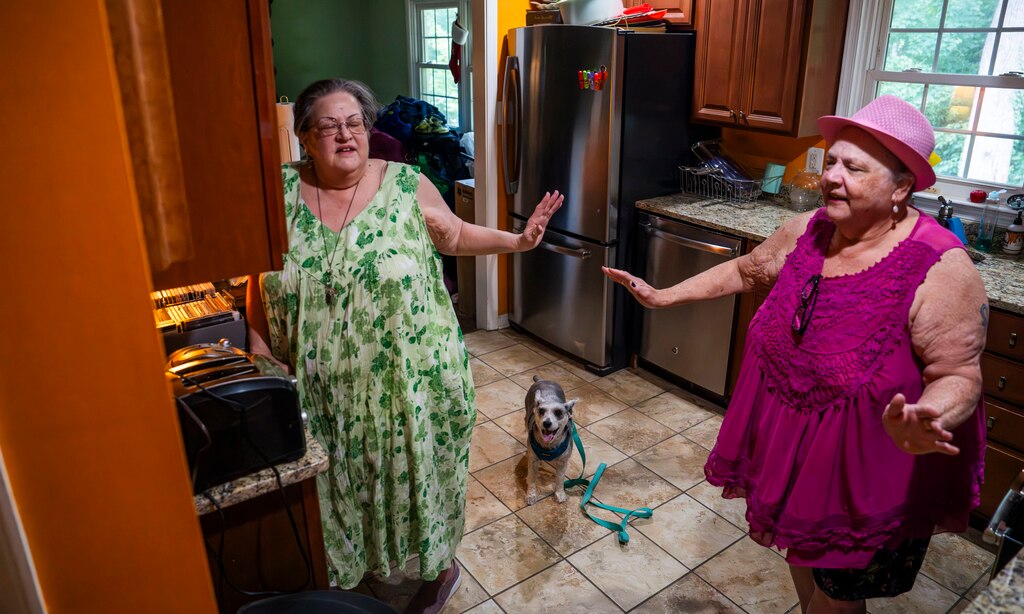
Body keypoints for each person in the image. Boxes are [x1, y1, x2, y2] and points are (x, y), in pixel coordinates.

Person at [604, 95, 986, 613]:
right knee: (806, 574)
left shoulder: (939, 266)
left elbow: (959, 373)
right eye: (831, 160)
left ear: (901, 187)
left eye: (854, 167)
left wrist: (929, 416)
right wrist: (663, 295)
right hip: (794, 448)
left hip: (865, 473)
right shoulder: (811, 231)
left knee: (838, 599)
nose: (831, 176)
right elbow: (747, 271)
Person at [246, 78, 563, 612]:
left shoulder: (405, 183)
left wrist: (519, 241)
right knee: (340, 488)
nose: (345, 135)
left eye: (355, 124)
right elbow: (256, 277)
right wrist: (259, 345)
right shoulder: (274, 194)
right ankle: (351, 576)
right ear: (304, 136)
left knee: (419, 483)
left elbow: (455, 235)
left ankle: (437, 574)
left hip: (413, 384)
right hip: (320, 395)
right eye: (328, 126)